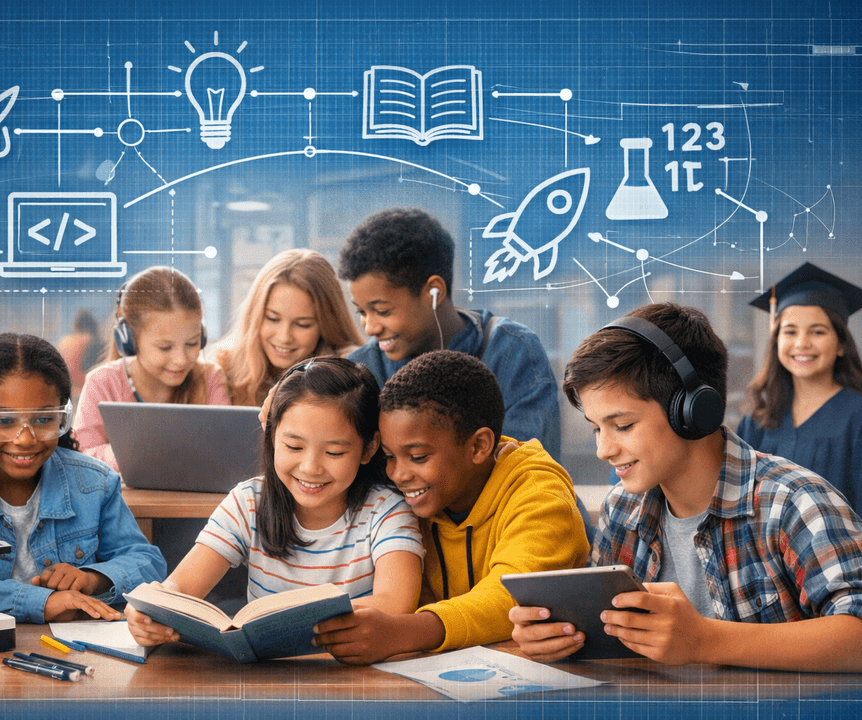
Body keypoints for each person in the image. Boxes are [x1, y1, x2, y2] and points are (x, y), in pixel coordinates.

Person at [510, 302, 862, 672]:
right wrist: (562, 637)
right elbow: (608, 636)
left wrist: (703, 639)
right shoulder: (623, 507)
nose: (604, 450)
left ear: (692, 411)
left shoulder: (794, 501)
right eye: (596, 428)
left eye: (622, 426)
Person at [125, 357, 424, 648]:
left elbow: (394, 601)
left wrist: (292, 619)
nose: (310, 467)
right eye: (293, 446)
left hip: (353, 678)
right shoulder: (248, 502)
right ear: (272, 435)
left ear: (368, 448)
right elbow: (181, 586)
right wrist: (152, 611)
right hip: (264, 679)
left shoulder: (386, 511)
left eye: (334, 453)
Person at [311, 350, 588, 665]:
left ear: (478, 446)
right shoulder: (420, 490)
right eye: (389, 456)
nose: (397, 474)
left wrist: (401, 633)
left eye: (417, 457)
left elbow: (510, 596)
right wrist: (279, 411)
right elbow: (331, 467)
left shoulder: (540, 495)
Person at [0, 333, 166, 624]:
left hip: (74, 647)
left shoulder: (95, 484)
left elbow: (148, 563)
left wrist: (92, 578)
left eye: (44, 419)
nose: (24, 439)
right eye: (4, 421)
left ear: (63, 416)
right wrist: (40, 602)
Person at [338, 207, 562, 460]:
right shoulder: (361, 371)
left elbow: (530, 470)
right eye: (362, 312)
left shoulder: (512, 351)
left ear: (434, 291)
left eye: (382, 311)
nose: (370, 328)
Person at [737, 262, 862, 530]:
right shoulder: (756, 422)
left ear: (842, 344)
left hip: (838, 566)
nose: (801, 344)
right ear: (776, 341)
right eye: (790, 331)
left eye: (818, 331)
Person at [74, 265, 230, 469]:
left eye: (192, 343)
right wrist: (131, 453)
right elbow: (82, 455)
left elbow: (226, 450)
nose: (181, 360)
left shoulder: (210, 378)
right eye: (165, 347)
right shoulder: (102, 383)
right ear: (129, 340)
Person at [214, 248, 362, 406]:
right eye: (272, 318)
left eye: (302, 324)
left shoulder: (350, 373)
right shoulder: (220, 370)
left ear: (327, 325)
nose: (284, 337)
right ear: (254, 315)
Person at [58, 308, 105, 399]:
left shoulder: (64, 342)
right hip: (89, 392)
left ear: (76, 326)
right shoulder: (95, 342)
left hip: (69, 393)